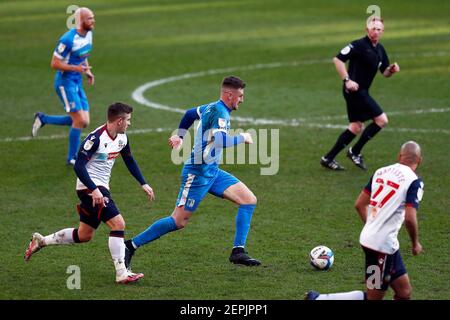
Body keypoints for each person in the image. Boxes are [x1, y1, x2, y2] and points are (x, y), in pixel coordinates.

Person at [123, 76, 261, 270]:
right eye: (240, 95)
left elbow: (189, 114)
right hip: (197, 174)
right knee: (178, 221)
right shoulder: (220, 113)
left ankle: (238, 251)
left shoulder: (210, 107)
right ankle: (129, 246)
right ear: (229, 94)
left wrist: (179, 136)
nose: (242, 100)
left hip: (212, 171)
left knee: (248, 200)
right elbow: (221, 141)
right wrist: (243, 137)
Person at [24, 102, 155, 284]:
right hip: (89, 189)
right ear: (119, 121)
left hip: (100, 189)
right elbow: (78, 165)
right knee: (118, 224)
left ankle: (41, 241)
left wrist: (143, 183)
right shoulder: (96, 139)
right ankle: (121, 273)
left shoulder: (122, 138)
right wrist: (93, 190)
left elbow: (130, 160)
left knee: (84, 235)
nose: (129, 124)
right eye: (128, 120)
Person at [307, 141, 424, 300]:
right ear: (420, 160)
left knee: (404, 293)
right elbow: (410, 218)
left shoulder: (381, 172)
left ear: (399, 156)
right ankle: (318, 299)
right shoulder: (414, 182)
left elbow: (359, 204)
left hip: (383, 244)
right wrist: (415, 243)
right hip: (380, 248)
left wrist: (372, 226)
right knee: (373, 297)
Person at [320, 16, 400, 171]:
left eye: (379, 29)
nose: (375, 31)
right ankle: (355, 151)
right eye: (373, 28)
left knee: (356, 127)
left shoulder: (380, 49)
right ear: (367, 29)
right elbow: (337, 60)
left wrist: (391, 70)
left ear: (383, 31)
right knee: (382, 120)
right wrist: (347, 80)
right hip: (354, 92)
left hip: (363, 92)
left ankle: (328, 158)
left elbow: (384, 72)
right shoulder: (358, 45)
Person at [31, 7, 96, 165]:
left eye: (93, 17)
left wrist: (86, 70)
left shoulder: (89, 34)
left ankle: (43, 118)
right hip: (64, 82)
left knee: (84, 121)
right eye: (89, 18)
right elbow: (54, 63)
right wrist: (77, 69)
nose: (93, 21)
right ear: (80, 21)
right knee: (79, 120)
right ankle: (72, 158)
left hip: (76, 81)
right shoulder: (67, 39)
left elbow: (83, 55)